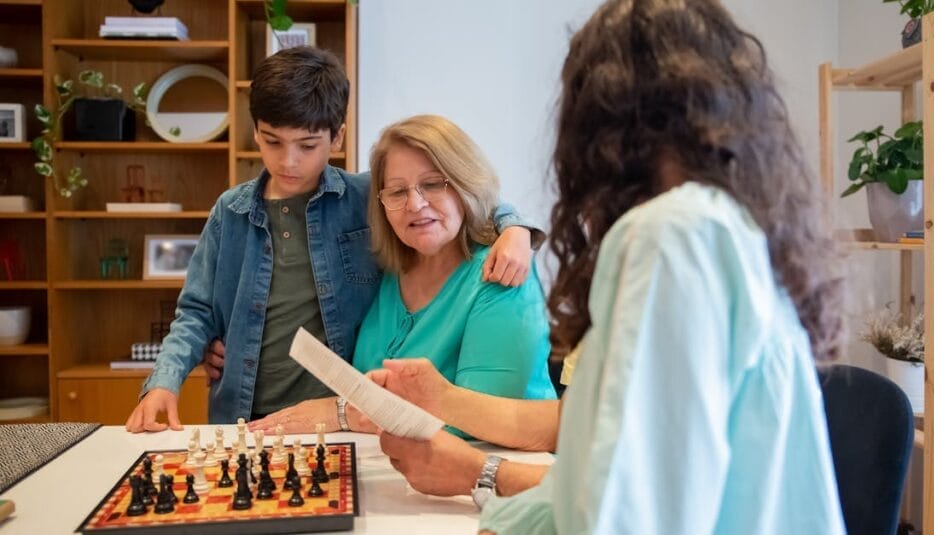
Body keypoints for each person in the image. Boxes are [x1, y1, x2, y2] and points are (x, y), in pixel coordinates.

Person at [377, 0, 847, 532]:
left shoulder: (672, 238)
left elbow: (627, 514)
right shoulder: (726, 228)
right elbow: (593, 483)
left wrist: (478, 476)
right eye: (396, 191)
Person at [124, 47, 540, 432]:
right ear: (255, 132)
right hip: (245, 414)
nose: (288, 161)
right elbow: (196, 310)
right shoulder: (229, 213)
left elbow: (461, 196)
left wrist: (515, 227)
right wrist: (166, 379)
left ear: (337, 138)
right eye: (273, 142)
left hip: (340, 418)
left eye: (307, 145)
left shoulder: (364, 197)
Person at [245, 115, 557, 435]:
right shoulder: (391, 273)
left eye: (433, 184)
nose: (415, 204)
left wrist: (342, 412)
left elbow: (479, 423)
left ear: (466, 184)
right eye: (396, 192)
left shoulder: (503, 274)